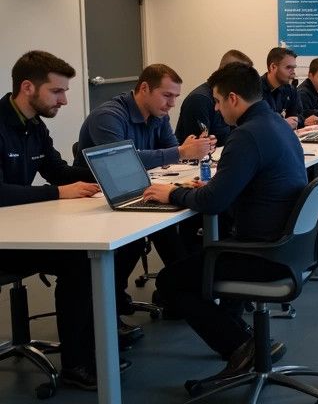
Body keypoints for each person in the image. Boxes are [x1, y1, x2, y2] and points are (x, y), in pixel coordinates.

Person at [145, 62, 306, 380]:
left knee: (171, 281)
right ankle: (247, 340)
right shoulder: (274, 124)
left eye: (218, 101)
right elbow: (243, 184)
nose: (216, 109)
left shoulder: (246, 135)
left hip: (260, 254)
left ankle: (239, 346)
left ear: (233, 98)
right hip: (288, 248)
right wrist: (215, 187)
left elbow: (213, 203)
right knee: (197, 263)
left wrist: (172, 193)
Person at [0, 50, 121, 390]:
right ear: (28, 87)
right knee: (78, 263)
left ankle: (94, 351)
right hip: (4, 243)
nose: (64, 100)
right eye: (57, 91)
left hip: (20, 232)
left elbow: (56, 170)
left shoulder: (34, 125)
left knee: (85, 259)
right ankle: (77, 364)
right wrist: (57, 193)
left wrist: (107, 175)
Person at [77, 64, 216, 345]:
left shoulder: (157, 115)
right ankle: (177, 295)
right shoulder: (108, 117)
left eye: (175, 97)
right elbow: (122, 163)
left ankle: (181, 293)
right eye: (167, 95)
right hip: (96, 200)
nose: (172, 103)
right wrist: (181, 151)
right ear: (144, 89)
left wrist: (183, 152)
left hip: (135, 190)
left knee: (169, 226)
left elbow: (170, 153)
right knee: (153, 235)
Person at [175, 49, 254, 145]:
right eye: (242, 76)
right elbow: (199, 148)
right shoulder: (199, 100)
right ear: (226, 73)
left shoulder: (232, 96)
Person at [261, 47, 302, 129]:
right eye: (288, 67)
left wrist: (296, 121)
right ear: (273, 67)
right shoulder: (256, 90)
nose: (293, 73)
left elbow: (299, 116)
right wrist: (281, 123)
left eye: (294, 68)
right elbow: (257, 123)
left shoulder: (290, 89)